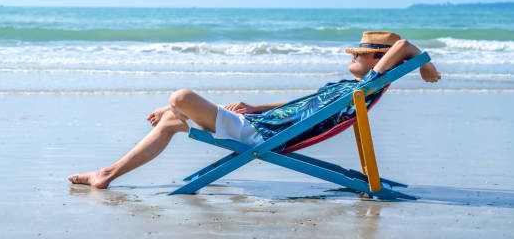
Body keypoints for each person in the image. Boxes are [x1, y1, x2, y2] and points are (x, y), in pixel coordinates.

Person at [68, 31, 441, 189]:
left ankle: (109, 171)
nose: (354, 55)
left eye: (361, 53)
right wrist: (254, 106)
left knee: (179, 98)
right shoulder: (347, 88)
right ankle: (106, 174)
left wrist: (423, 63)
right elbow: (301, 108)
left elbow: (404, 45)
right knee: (170, 118)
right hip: (257, 123)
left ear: (378, 60)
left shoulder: (364, 86)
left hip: (260, 136)